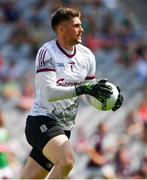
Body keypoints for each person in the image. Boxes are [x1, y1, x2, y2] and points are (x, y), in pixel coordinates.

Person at [21, 7, 123, 179]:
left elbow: (89, 94)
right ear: (61, 29)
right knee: (67, 161)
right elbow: (50, 93)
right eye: (76, 26)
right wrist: (83, 88)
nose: (81, 29)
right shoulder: (47, 52)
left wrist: (107, 99)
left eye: (80, 25)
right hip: (41, 121)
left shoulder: (87, 56)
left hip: (64, 128)